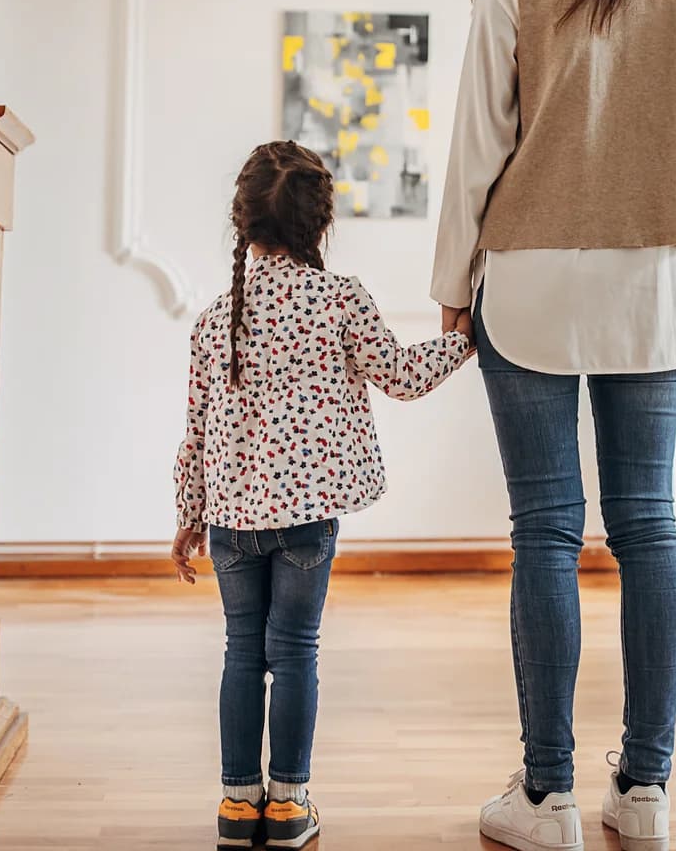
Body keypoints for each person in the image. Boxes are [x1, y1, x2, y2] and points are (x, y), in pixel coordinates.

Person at [430, 0, 676, 850]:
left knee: (546, 531)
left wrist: (449, 286)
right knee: (649, 525)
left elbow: (479, 143)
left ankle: (545, 797)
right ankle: (643, 793)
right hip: (645, 280)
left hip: (529, 280)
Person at [171, 140, 474, 848]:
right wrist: (461, 340)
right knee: (296, 651)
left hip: (232, 524)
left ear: (241, 223)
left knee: (242, 653)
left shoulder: (215, 318)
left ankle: (236, 806)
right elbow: (399, 375)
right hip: (308, 521)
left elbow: (195, 431)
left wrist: (187, 517)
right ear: (321, 224)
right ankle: (288, 807)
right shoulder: (339, 299)